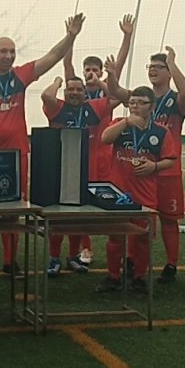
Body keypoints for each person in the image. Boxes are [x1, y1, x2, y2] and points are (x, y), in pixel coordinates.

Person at [0, 14, 85, 275]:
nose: (8, 56)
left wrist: (71, 36)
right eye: (3, 51)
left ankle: (10, 261)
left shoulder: (21, 75)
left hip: (16, 154)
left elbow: (52, 56)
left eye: (12, 51)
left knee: (14, 208)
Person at [62, 14, 134, 265]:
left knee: (107, 200)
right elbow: (66, 63)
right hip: (80, 153)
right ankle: (86, 248)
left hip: (103, 153)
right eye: (88, 70)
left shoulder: (106, 87)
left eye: (95, 70)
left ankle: (119, 251)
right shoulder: (76, 91)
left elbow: (118, 77)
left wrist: (127, 36)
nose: (91, 73)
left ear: (101, 72)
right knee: (80, 201)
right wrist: (71, 37)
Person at [98, 86, 176, 293]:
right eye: (132, 102)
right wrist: (125, 122)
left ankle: (139, 277)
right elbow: (105, 138)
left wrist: (154, 166)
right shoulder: (120, 124)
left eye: (141, 103)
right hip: (118, 192)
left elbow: (170, 160)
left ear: (152, 107)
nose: (135, 106)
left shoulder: (161, 131)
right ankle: (113, 276)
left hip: (145, 193)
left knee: (143, 237)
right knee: (115, 237)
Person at [41, 74, 120, 275]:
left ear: (85, 93)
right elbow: (46, 95)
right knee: (58, 216)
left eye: (79, 89)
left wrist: (99, 82)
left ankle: (73, 257)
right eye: (71, 89)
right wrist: (58, 81)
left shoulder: (93, 108)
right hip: (60, 169)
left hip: (84, 170)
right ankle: (54, 258)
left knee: (78, 216)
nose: (74, 93)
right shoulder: (57, 108)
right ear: (65, 92)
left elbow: (116, 96)